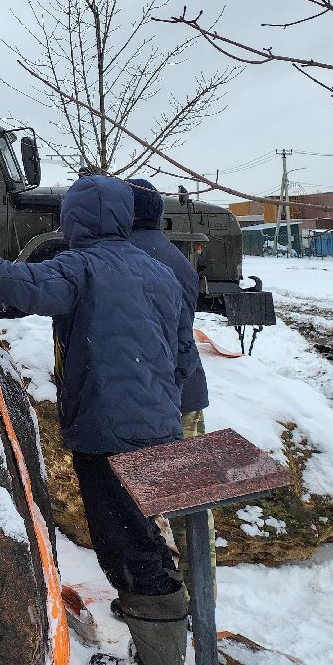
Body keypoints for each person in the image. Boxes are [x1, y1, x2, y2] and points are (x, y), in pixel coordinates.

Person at [0, 174, 189, 665]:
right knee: (146, 538)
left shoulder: (81, 265)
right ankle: (158, 650)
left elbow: (22, 284)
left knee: (128, 549)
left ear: (75, 218)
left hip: (109, 429)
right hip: (156, 423)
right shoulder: (155, 271)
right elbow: (180, 354)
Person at [128, 178, 213, 598]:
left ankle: (177, 599)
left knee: (159, 506)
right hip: (185, 394)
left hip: (150, 398)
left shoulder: (126, 258)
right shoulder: (174, 258)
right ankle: (200, 597)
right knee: (190, 507)